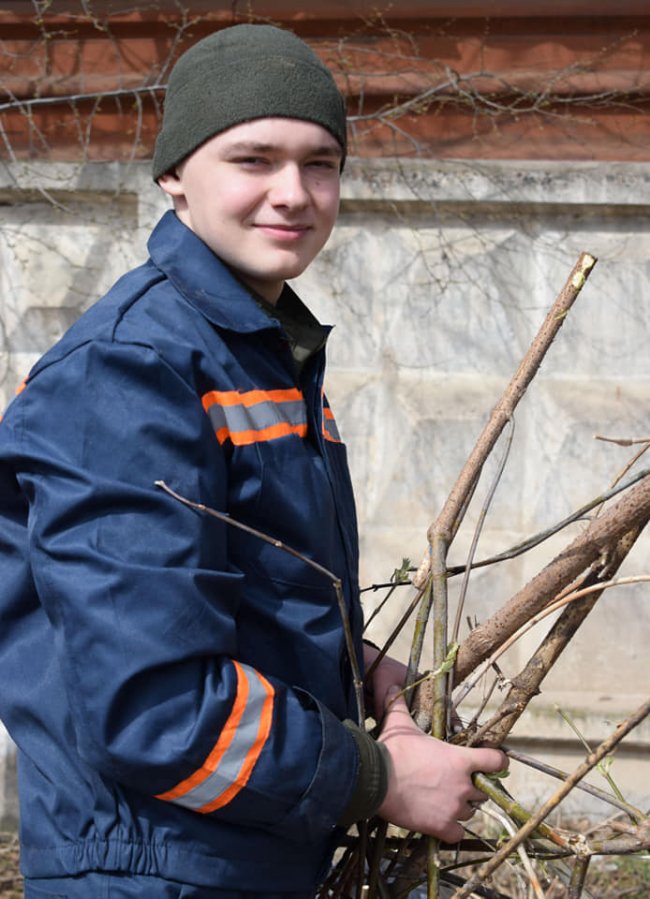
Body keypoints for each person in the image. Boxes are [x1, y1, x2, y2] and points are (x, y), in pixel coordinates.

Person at [0, 23, 506, 899]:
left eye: (321, 163)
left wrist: (356, 664)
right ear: (174, 177)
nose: (294, 194)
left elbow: (239, 588)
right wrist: (379, 779)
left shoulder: (257, 349)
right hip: (154, 870)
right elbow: (152, 702)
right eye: (253, 159)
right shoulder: (132, 372)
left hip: (240, 851)